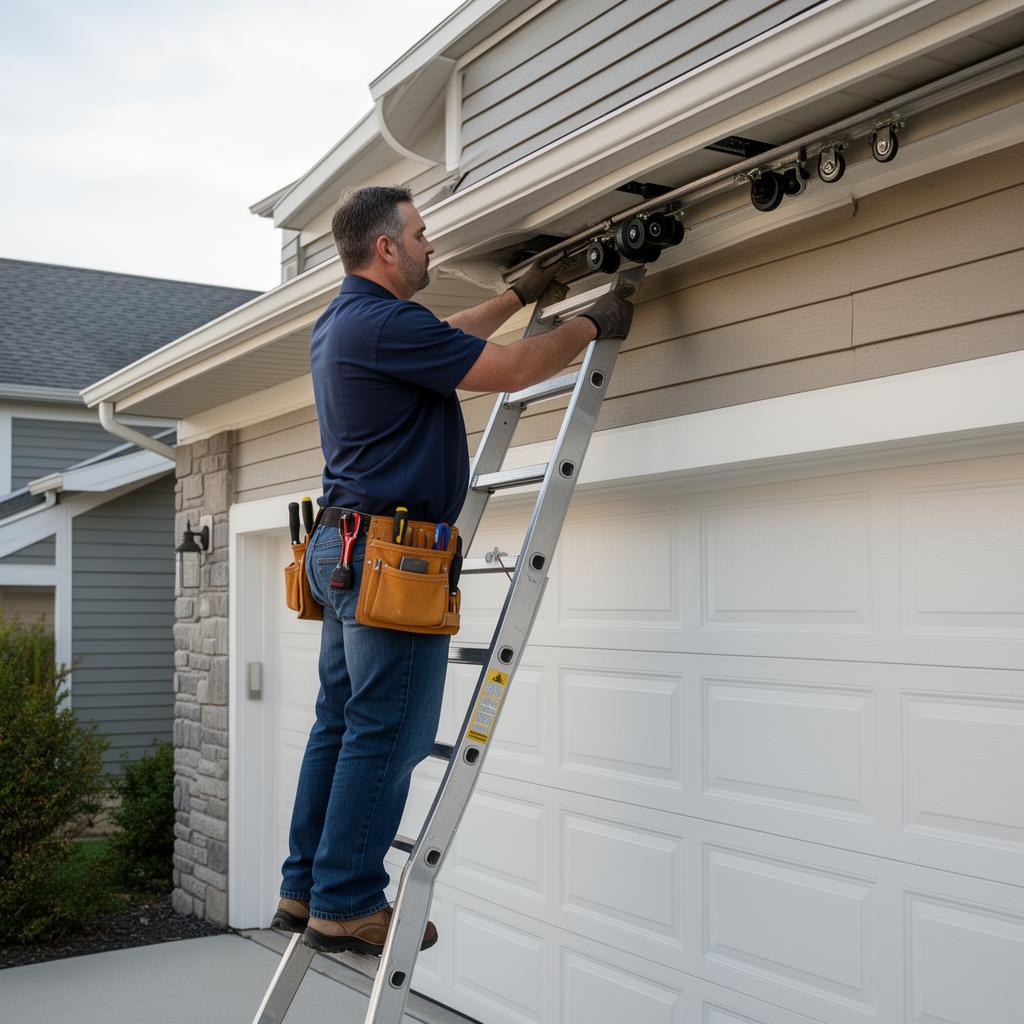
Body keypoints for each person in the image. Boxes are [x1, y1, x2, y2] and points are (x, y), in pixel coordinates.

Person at [274, 185, 633, 955]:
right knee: (389, 730)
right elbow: (512, 370)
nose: (431, 244)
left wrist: (516, 296)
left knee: (340, 723)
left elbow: (443, 337)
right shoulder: (382, 323)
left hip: (342, 546)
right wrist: (591, 324)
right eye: (421, 233)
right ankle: (346, 902)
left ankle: (304, 888)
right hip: (389, 554)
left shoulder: (346, 319)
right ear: (386, 247)